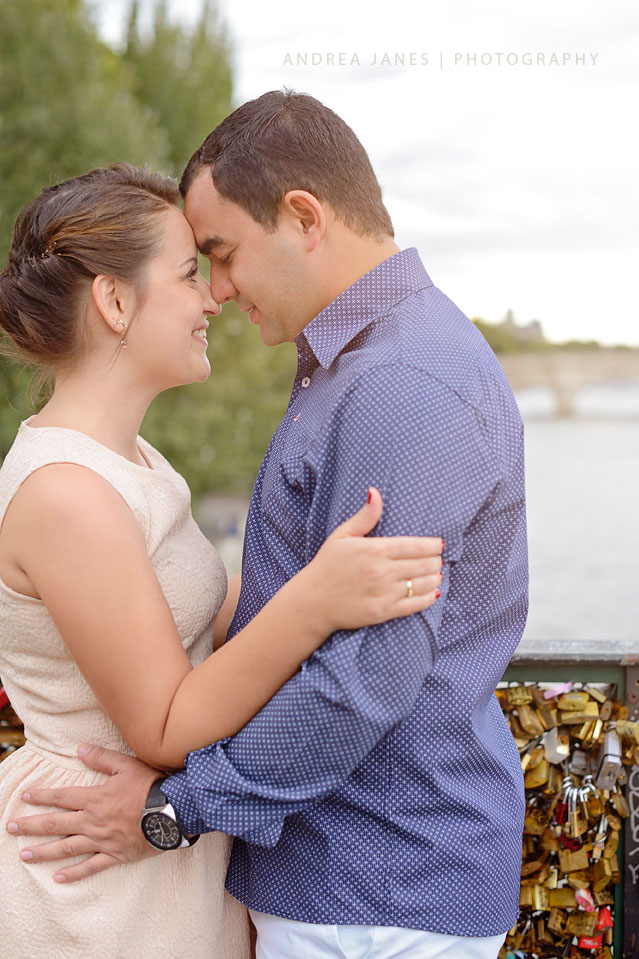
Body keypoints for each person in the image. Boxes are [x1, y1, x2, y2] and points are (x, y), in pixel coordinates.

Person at [10, 91, 530, 959]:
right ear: (112, 302)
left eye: (217, 256)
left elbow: (364, 677)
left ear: (303, 218)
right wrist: (308, 598)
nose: (217, 290)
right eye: (193, 270)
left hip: (372, 890)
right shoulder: (352, 368)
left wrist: (178, 808)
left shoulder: (398, 384)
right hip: (266, 878)